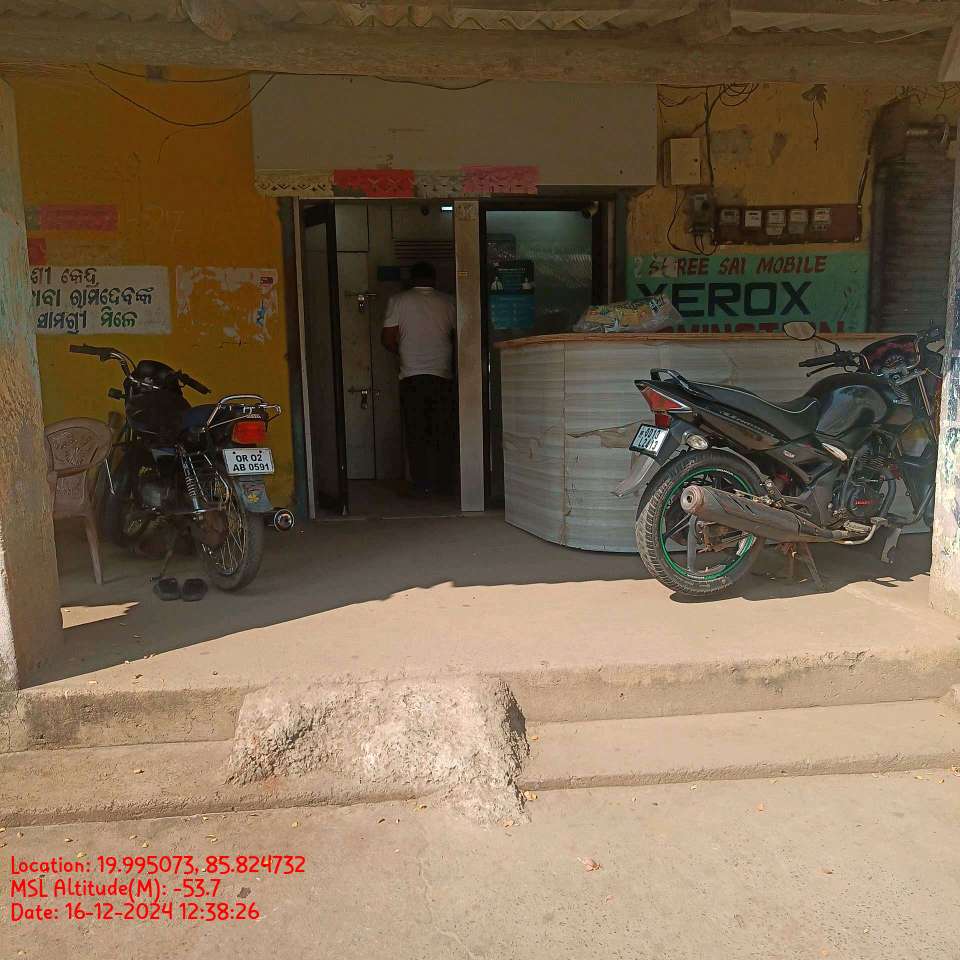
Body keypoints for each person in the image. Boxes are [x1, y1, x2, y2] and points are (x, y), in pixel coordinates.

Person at [381, 262, 456, 496]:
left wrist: (403, 352)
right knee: (443, 431)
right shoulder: (449, 302)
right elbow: (461, 336)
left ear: (412, 279)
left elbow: (387, 338)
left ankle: (421, 484)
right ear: (434, 279)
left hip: (411, 377)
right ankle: (444, 484)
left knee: (416, 432)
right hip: (442, 375)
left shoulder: (398, 301)